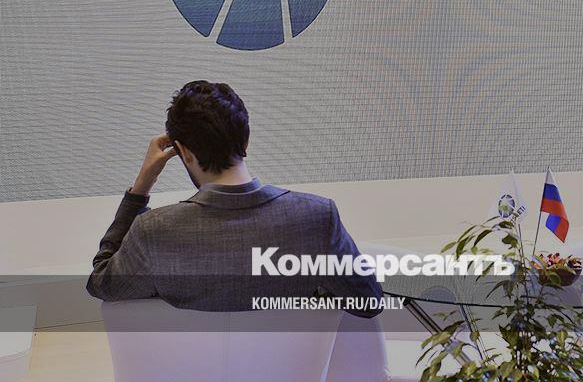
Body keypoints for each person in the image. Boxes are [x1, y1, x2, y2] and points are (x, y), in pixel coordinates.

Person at [86, 80, 382, 317]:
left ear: (184, 152)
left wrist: (141, 187)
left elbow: (101, 282)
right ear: (246, 139)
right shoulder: (318, 217)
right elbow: (369, 303)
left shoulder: (153, 231)